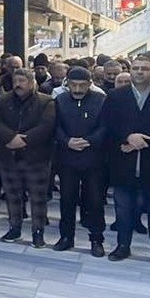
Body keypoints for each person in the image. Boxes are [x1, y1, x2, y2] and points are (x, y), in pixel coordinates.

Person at [104, 56, 150, 264]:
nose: (140, 72)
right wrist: (127, 136)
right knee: (123, 209)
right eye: (136, 68)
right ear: (130, 70)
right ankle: (123, 246)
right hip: (123, 162)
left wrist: (140, 139)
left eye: (145, 68)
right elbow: (108, 124)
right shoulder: (115, 96)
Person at [0, 68, 56, 246]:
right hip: (8, 156)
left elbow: (47, 126)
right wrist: (10, 138)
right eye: (15, 81)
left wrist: (24, 140)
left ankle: (38, 231)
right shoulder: (2, 100)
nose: (18, 84)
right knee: (13, 195)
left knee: (38, 198)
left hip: (36, 157)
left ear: (31, 82)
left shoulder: (46, 101)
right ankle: (15, 228)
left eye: (22, 81)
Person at [52, 66, 107, 256]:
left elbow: (105, 126)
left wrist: (88, 141)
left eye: (82, 85)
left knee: (95, 201)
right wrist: (66, 141)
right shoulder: (60, 100)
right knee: (67, 200)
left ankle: (97, 239)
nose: (77, 90)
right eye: (73, 85)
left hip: (94, 160)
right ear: (67, 83)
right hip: (68, 159)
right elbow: (55, 126)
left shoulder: (100, 100)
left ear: (90, 84)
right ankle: (66, 237)